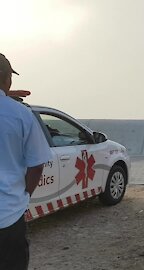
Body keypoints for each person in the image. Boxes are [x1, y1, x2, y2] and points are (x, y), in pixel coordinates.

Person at [0, 53, 52, 269]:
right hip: (8, 216)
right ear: (7, 79)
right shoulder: (21, 114)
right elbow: (36, 164)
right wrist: (25, 195)